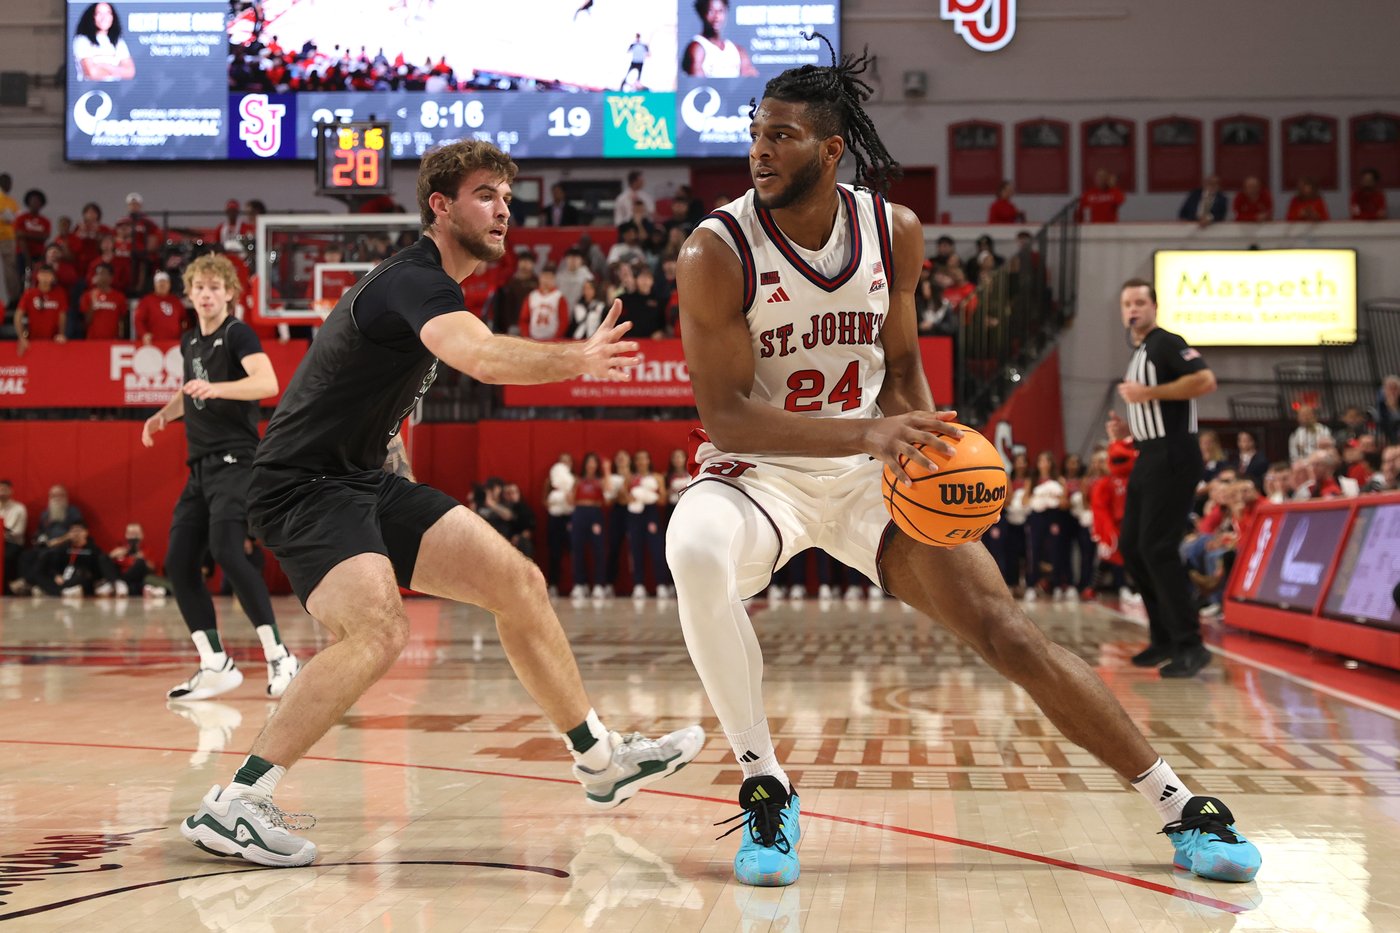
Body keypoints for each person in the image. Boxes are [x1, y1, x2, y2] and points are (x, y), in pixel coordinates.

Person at [670, 43, 1258, 888]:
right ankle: (766, 784)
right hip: (762, 472)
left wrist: (928, 447)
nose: (759, 150)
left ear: (831, 150)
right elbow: (725, 415)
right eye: (757, 134)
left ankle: (1180, 804)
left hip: (871, 470)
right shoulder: (716, 249)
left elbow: (903, 365)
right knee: (694, 551)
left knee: (1009, 631)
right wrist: (870, 435)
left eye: (782, 136)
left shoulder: (892, 231)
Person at [179, 141, 703, 868]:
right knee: (377, 630)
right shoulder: (416, 280)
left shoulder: (424, 289)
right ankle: (236, 801)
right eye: (486, 195)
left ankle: (599, 759)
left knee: (518, 583)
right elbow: (481, 357)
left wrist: (397, 478)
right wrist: (577, 358)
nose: (503, 210)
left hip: (362, 479)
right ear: (441, 205)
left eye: (508, 198)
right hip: (301, 485)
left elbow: (377, 400)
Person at [141, 253, 298, 702]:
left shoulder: (237, 333)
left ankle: (280, 656)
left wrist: (218, 389)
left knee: (228, 551)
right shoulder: (190, 341)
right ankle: (215, 664)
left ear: (229, 293)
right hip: (200, 467)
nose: (206, 294)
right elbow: (190, 389)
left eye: (215, 287)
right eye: (199, 288)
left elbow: (267, 383)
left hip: (235, 460)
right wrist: (164, 414)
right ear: (189, 295)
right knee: (178, 562)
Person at [1108, 278, 1218, 678]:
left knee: (1158, 547)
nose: (1133, 309)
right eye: (1127, 304)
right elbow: (1153, 410)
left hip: (1173, 454)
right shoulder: (1141, 352)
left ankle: (1190, 643)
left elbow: (1205, 381)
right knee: (1132, 547)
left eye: (1140, 302)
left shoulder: (1166, 343)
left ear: (1154, 306)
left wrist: (1147, 395)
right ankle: (1165, 638)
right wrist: (1129, 431)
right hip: (1149, 453)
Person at [682, 0, 757, 78]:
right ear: (702, 13)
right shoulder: (697, 48)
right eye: (711, 11)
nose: (716, 17)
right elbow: (697, 83)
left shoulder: (737, 50)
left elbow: (751, 79)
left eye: (720, 11)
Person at [73, 3, 135, 82]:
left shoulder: (118, 41)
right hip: (90, 88)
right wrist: (118, 71)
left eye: (108, 13)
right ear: (92, 16)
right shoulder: (82, 40)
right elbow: (92, 73)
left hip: (115, 88)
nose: (104, 18)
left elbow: (130, 72)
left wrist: (104, 66)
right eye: (99, 13)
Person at [15, 264, 68, 350]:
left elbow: (62, 316)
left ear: (53, 277)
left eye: (48, 275)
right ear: (38, 276)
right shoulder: (29, 294)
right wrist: (21, 337)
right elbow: (18, 316)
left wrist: (61, 334)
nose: (45, 277)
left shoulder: (59, 294)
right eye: (43, 274)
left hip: (53, 341)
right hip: (33, 341)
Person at [135, 271, 188, 343]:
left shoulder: (176, 301)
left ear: (169, 284)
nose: (162, 285)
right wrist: (143, 334)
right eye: (159, 282)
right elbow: (138, 320)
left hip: (174, 343)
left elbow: (184, 320)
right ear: (154, 285)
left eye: (165, 282)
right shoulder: (146, 301)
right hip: (153, 343)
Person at [0, 479, 26, 593]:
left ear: (11, 491)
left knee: (5, 556)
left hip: (12, 543)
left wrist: (4, 532)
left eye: (4, 489)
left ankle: (5, 588)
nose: (2, 492)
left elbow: (18, 532)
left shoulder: (19, 508)